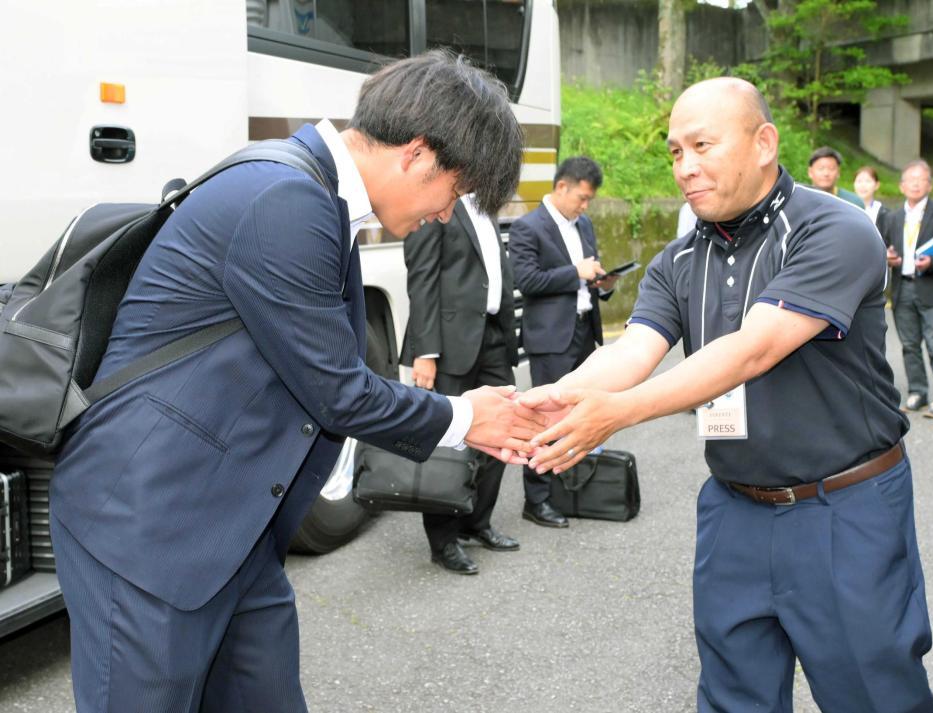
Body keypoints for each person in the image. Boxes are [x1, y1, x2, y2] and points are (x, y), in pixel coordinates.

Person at [49, 51, 545, 713]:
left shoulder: (306, 189)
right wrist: (465, 416)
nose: (446, 215)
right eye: (455, 193)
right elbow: (336, 389)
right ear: (418, 155)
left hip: (232, 527)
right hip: (149, 525)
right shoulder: (285, 198)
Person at [522, 77, 933, 712]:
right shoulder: (680, 258)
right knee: (732, 696)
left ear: (764, 142)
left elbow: (755, 347)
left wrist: (620, 415)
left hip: (844, 507)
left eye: (702, 145)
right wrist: (543, 400)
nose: (685, 167)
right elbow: (633, 350)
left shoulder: (833, 230)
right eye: (674, 153)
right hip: (735, 508)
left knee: (873, 694)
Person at [401, 194, 521, 575]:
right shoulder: (438, 201)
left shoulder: (488, 207)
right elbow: (421, 277)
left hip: (493, 338)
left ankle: (477, 522)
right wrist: (425, 351)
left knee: (504, 430)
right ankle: (443, 541)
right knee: (449, 441)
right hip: (449, 343)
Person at [508, 156, 619, 528]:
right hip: (551, 338)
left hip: (586, 329)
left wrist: (602, 284)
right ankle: (536, 499)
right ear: (561, 187)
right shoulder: (528, 227)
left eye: (589, 200)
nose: (585, 206)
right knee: (544, 418)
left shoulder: (583, 224)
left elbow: (589, 275)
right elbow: (527, 280)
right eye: (582, 198)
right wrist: (576, 272)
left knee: (582, 413)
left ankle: (572, 487)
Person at [882, 159, 933, 418]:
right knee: (909, 344)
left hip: (931, 285)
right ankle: (917, 391)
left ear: (929, 184)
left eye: (921, 179)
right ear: (902, 185)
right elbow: (885, 247)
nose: (915, 183)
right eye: (910, 179)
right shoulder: (894, 216)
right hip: (902, 288)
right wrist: (888, 257)